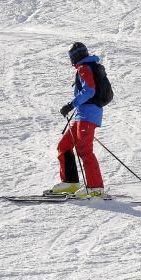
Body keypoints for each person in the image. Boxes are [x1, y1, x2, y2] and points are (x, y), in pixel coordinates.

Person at [49, 42, 106, 197]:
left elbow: (90, 90)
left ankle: (95, 188)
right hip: (82, 115)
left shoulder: (84, 68)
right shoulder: (86, 67)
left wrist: (71, 105)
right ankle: (70, 182)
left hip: (88, 115)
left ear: (75, 57)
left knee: (84, 150)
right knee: (64, 145)